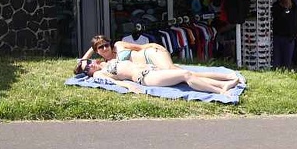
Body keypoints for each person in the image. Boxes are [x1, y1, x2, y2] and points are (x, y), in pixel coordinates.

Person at [80, 59, 241, 95]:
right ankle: (220, 90)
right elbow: (113, 82)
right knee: (185, 74)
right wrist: (130, 87)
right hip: (145, 78)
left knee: (189, 73)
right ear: (87, 72)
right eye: (86, 68)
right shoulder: (99, 74)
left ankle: (225, 82)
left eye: (88, 62)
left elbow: (85, 56)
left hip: (151, 70)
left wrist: (84, 59)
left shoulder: (107, 62)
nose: (89, 65)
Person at [78, 35, 176, 70]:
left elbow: (141, 47)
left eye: (106, 45)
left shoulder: (118, 45)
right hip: (149, 67)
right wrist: (91, 48)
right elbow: (82, 62)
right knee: (172, 71)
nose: (105, 48)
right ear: (97, 51)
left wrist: (156, 46)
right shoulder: (105, 64)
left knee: (170, 69)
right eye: (100, 47)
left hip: (150, 54)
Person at [271, 0, 297, 69]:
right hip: (277, 38)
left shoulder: (296, 9)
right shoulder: (276, 7)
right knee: (276, 62)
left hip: (289, 39)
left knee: (287, 63)